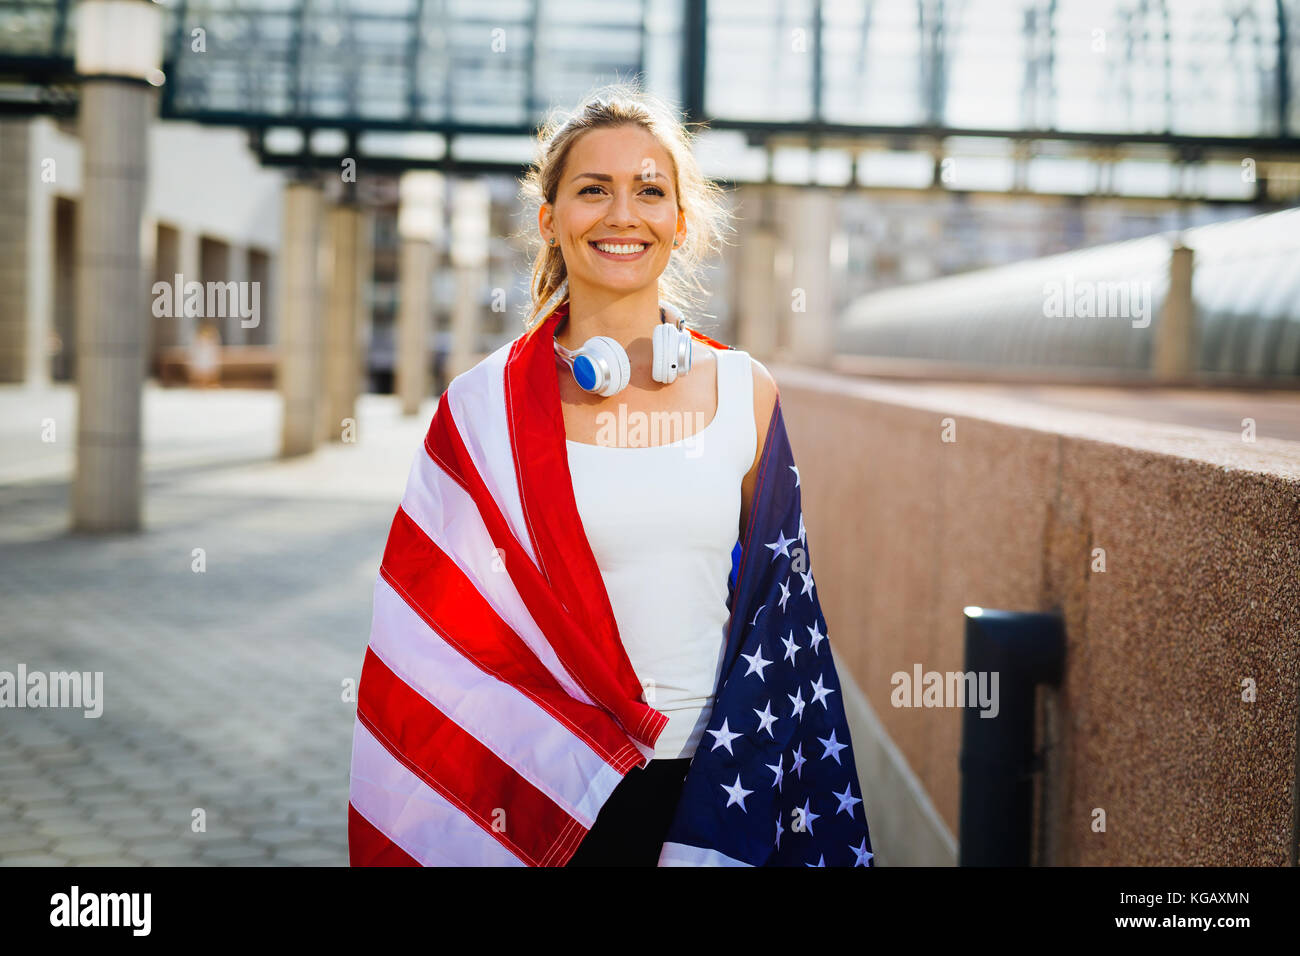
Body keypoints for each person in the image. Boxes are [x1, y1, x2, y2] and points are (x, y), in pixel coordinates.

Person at [512, 84, 780, 865]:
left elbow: (773, 605)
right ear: (550, 219)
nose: (623, 215)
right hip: (546, 781)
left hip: (706, 785)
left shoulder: (747, 393)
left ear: (681, 222)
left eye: (650, 191)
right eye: (593, 189)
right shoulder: (485, 407)